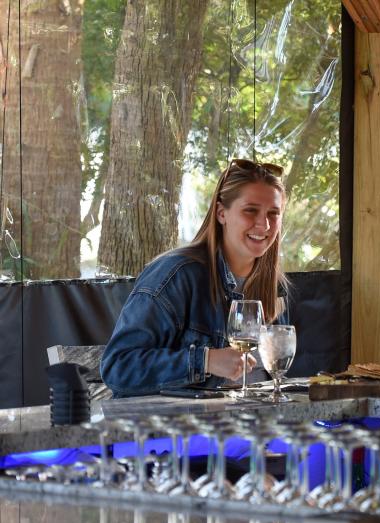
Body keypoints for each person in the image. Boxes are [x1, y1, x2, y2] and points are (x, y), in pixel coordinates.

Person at [101, 159, 290, 397]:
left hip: (250, 426)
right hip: (175, 429)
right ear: (222, 213)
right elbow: (118, 367)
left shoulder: (275, 287)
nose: (264, 224)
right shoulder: (176, 274)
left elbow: (277, 381)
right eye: (250, 210)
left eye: (273, 213)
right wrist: (206, 360)